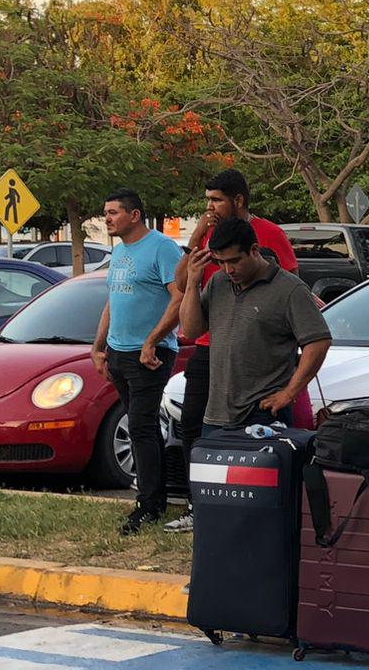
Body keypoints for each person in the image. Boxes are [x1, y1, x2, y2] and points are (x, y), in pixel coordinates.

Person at [165, 170, 299, 533]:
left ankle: (256, 513)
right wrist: (196, 238)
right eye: (207, 200)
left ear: (238, 200)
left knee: (257, 436)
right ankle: (202, 504)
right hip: (211, 345)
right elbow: (180, 284)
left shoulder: (270, 235)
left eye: (216, 200)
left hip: (258, 354)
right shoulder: (207, 236)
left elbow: (286, 288)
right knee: (195, 423)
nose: (209, 207)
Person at [179, 217, 331, 435]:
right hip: (216, 414)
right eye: (220, 262)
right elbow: (192, 330)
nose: (228, 269)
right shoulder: (219, 282)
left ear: (254, 250)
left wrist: (289, 393)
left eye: (234, 260)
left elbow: (319, 342)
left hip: (263, 412)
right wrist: (193, 282)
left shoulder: (289, 288)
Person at [91, 189, 185, 536]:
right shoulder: (119, 252)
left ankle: (149, 506)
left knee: (142, 427)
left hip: (150, 354)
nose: (108, 219)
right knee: (139, 426)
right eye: (106, 212)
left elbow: (180, 298)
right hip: (119, 352)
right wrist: (98, 346)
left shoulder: (162, 247)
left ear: (135, 215)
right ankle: (154, 496)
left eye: (114, 212)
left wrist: (152, 342)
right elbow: (113, 301)